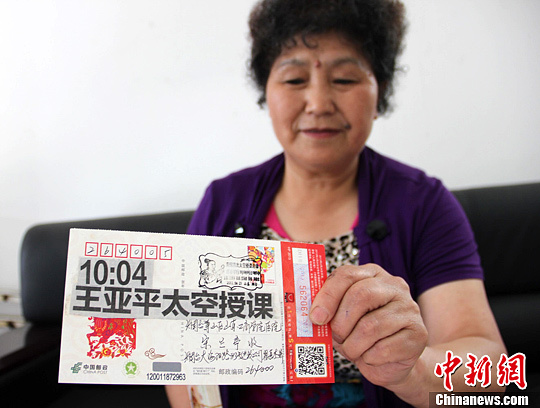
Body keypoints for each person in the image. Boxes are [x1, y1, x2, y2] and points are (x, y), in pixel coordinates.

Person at [167, 0, 506, 406]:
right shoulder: (224, 201)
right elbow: (182, 351)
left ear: (380, 91)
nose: (318, 103)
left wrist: (413, 370)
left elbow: (491, 368)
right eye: (294, 79)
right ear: (266, 92)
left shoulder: (424, 203)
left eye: (344, 78)